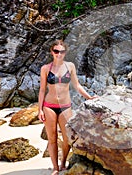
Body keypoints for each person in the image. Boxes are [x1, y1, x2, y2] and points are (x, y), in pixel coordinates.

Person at [38, 39, 98, 175]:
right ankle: (55, 168)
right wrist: (40, 109)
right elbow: (42, 90)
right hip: (49, 106)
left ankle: (63, 162)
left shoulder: (70, 66)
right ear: (51, 52)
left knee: (67, 138)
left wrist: (89, 97)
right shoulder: (45, 69)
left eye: (62, 51)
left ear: (65, 53)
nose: (59, 54)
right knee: (52, 138)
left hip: (65, 106)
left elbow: (77, 86)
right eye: (56, 51)